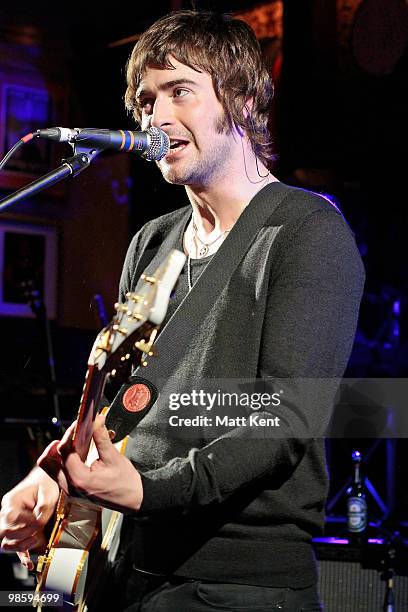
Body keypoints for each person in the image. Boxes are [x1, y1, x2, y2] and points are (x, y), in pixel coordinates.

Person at [0, 10, 365, 612]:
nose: (156, 117)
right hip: (128, 571)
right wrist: (54, 478)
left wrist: (148, 490)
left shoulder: (306, 231)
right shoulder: (153, 241)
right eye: (146, 101)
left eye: (180, 92)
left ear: (243, 100)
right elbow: (122, 403)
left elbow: (283, 415)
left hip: (236, 584)